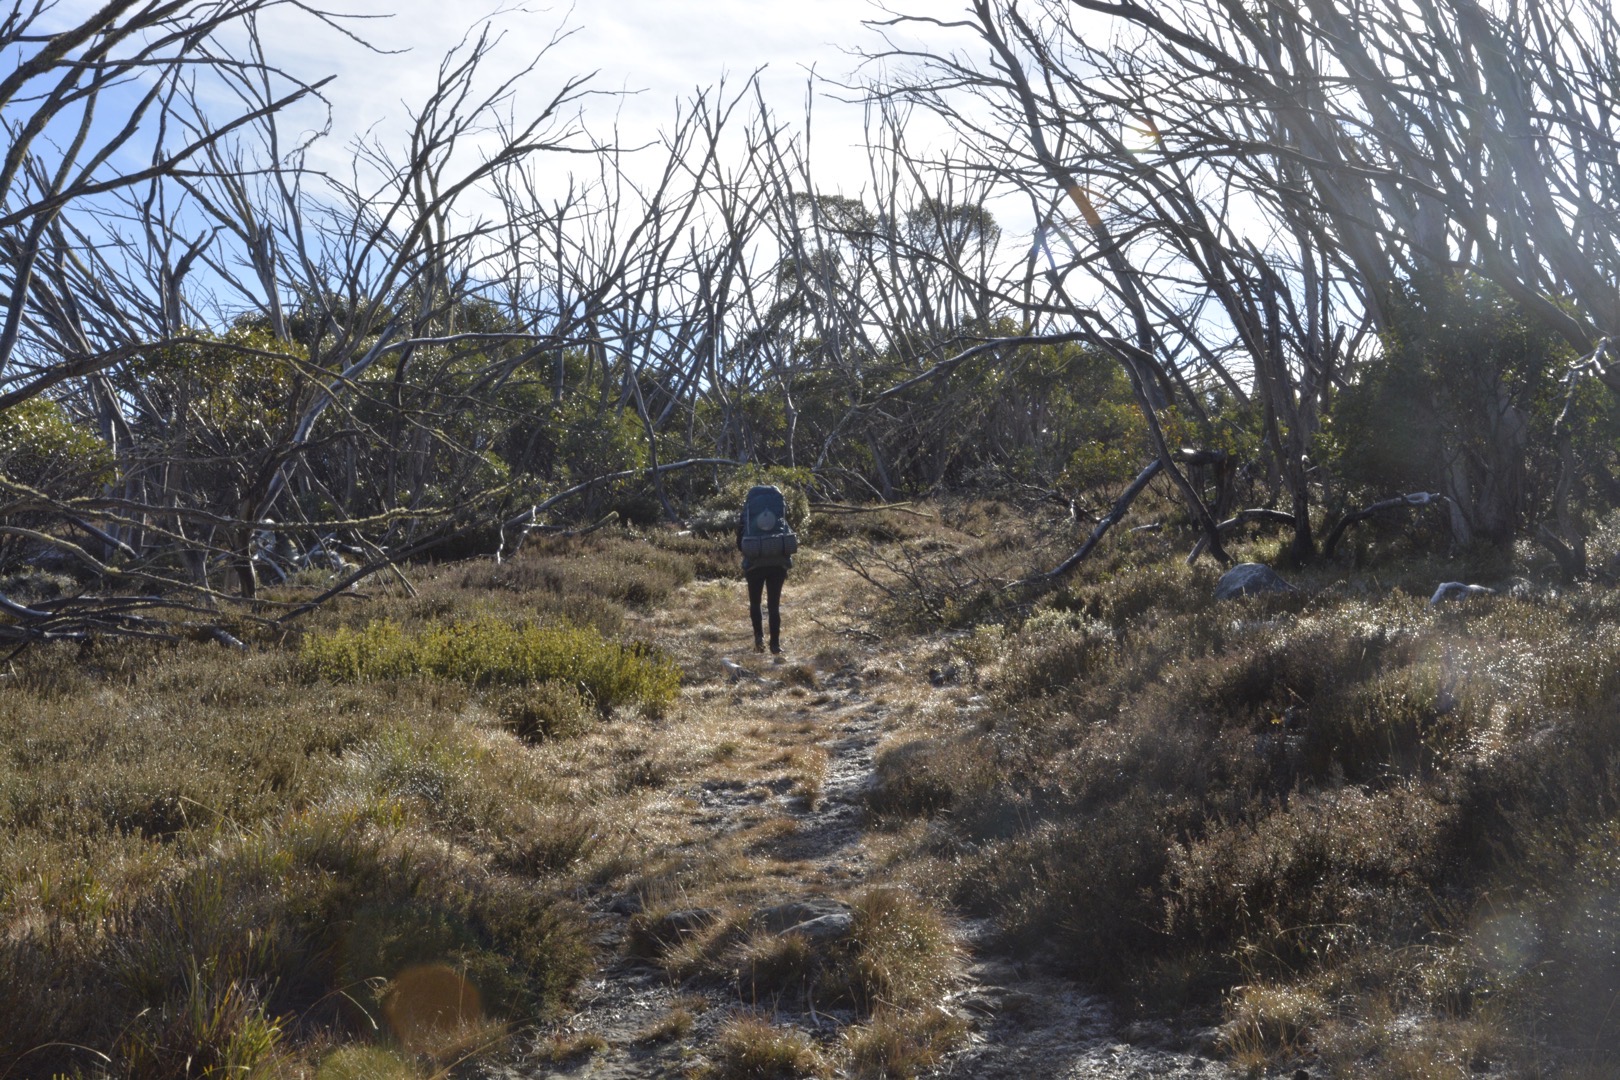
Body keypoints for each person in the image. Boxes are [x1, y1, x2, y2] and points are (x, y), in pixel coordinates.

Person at [737, 504, 790, 655]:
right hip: (777, 566)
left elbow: (739, 543)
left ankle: (759, 640)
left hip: (754, 566)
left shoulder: (747, 515)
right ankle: (775, 644)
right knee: (774, 606)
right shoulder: (779, 512)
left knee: (755, 603)